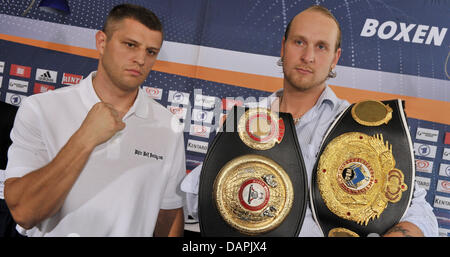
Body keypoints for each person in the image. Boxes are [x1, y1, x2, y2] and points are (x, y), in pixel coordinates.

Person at [181, 5, 438, 237]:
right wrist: (224, 155)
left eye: (321, 46)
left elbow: (420, 212)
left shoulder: (359, 129)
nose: (308, 56)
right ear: (283, 47)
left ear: (335, 58)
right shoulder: (244, 121)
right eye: (299, 42)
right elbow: (194, 201)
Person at [4, 4, 186, 237]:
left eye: (151, 51)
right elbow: (25, 213)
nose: (141, 59)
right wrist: (85, 138)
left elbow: (168, 214)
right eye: (130, 45)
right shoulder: (41, 109)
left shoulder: (167, 126)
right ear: (101, 42)